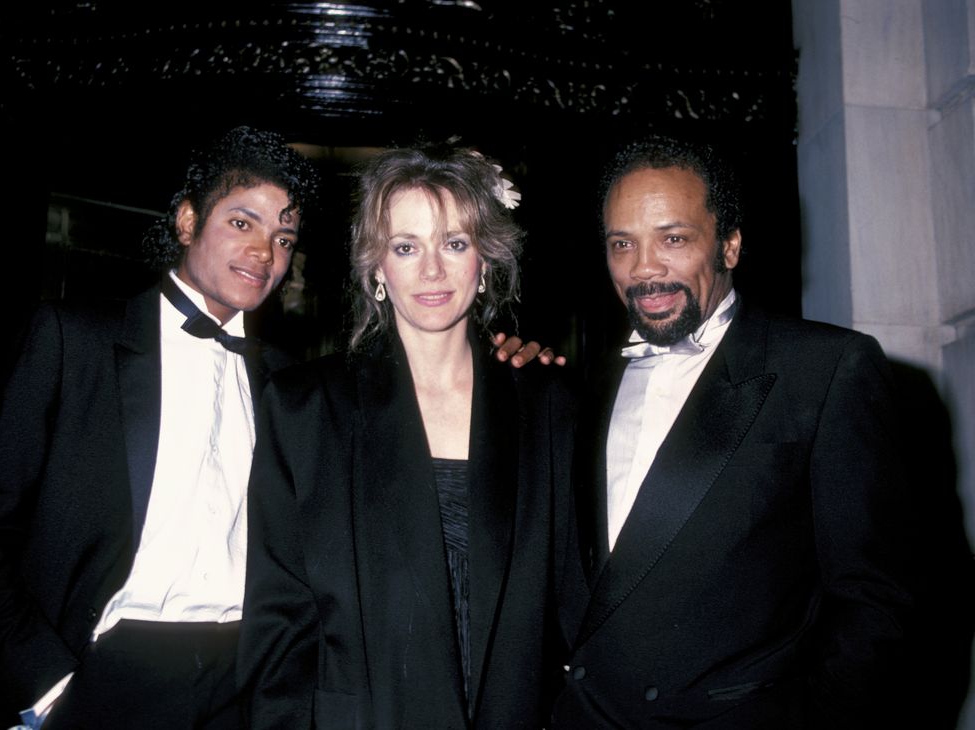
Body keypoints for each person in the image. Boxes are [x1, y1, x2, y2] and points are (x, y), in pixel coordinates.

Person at [0, 126, 319, 729]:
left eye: (283, 237)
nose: (265, 252)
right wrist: (43, 684)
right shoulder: (72, 341)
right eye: (242, 223)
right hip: (100, 675)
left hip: (244, 683)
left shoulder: (289, 383)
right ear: (186, 220)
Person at [550, 135, 914, 728]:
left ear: (730, 245)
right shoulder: (582, 387)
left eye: (673, 239)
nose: (644, 268)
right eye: (623, 244)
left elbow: (878, 604)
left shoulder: (824, 368)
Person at [239, 145, 583, 729]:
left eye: (454, 243)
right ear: (376, 268)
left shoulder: (549, 406)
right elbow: (278, 625)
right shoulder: (305, 408)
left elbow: (572, 610)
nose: (431, 271)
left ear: (486, 260)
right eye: (406, 247)